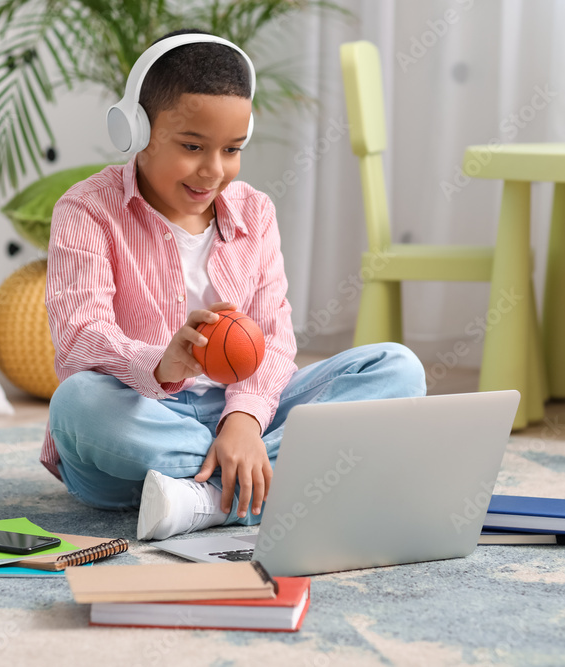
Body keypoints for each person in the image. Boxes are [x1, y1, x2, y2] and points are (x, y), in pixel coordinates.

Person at [40, 29, 426, 541]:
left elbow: (275, 337)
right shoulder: (86, 210)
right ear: (135, 130)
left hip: (241, 413)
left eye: (232, 149)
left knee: (398, 370)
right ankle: (269, 484)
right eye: (192, 146)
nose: (213, 170)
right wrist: (160, 361)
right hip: (139, 420)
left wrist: (243, 419)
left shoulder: (255, 212)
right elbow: (77, 337)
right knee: (76, 404)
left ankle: (205, 499)